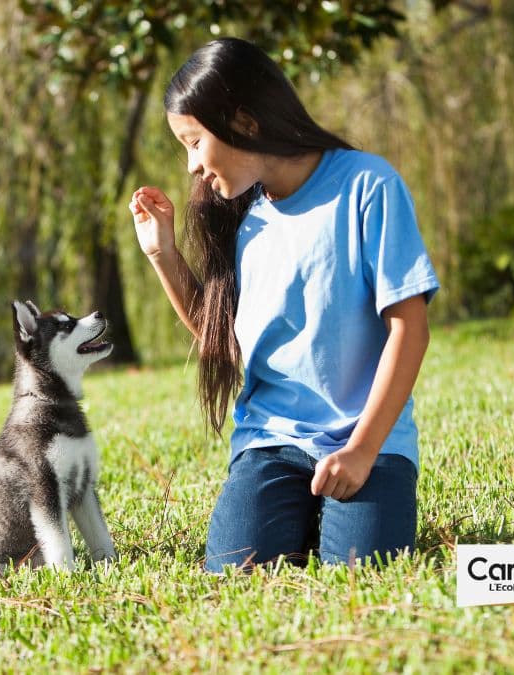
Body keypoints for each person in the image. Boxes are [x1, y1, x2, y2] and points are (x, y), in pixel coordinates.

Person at [129, 37, 440, 572]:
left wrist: (362, 450)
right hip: (271, 442)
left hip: (368, 440)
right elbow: (224, 340)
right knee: (235, 572)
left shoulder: (367, 185)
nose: (192, 166)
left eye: (195, 143)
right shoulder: (240, 213)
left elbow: (409, 329)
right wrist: (163, 254)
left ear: (245, 123)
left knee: (362, 574)